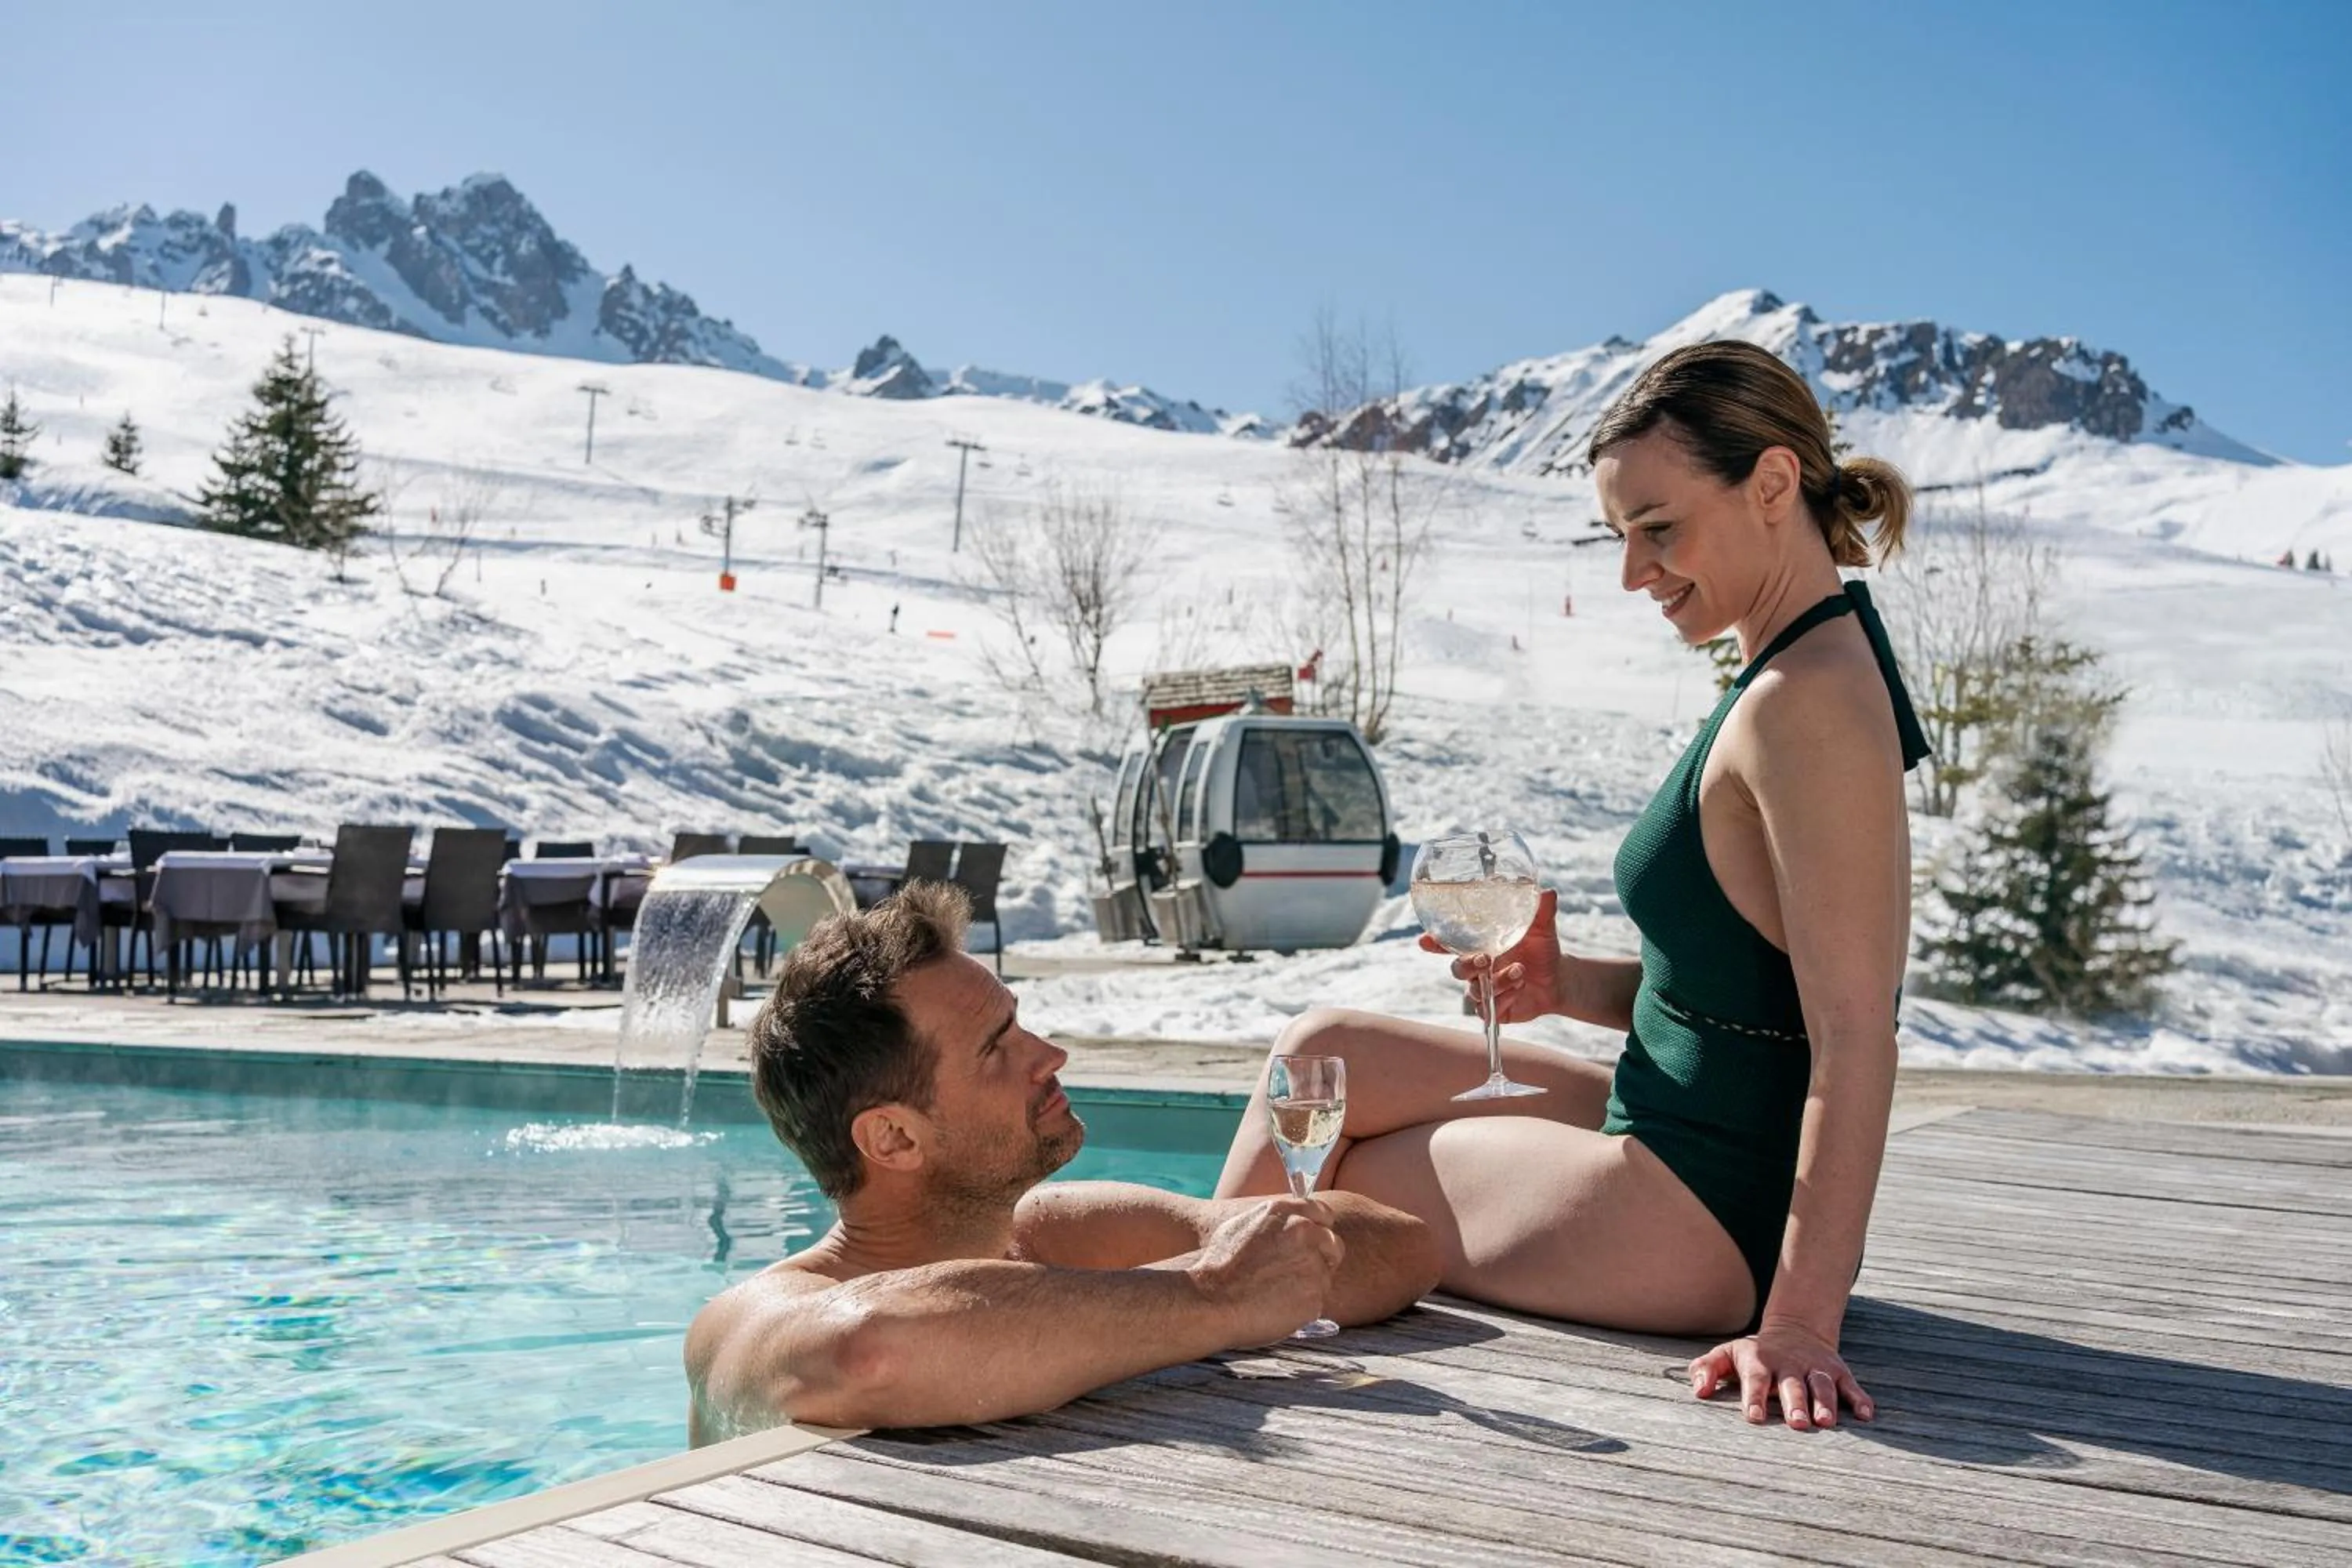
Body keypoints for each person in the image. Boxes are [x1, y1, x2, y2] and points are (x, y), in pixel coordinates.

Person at [1218, 339, 1930, 1435]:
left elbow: (1854, 1031)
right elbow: (1758, 977)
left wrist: (1801, 1322)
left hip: (1706, 1207)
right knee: (1325, 1056)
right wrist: (1572, 983)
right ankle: (1202, 1300)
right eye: (1619, 537)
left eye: (1658, 529)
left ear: (1775, 484)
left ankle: (1185, 1321)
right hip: (1678, 1127)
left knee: (1340, 1170)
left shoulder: (1808, 699)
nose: (1634, 574)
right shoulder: (1793, 665)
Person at [687, 883, 1439, 1442]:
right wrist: (1214, 1295)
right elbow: (875, 1350)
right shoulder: (746, 1325)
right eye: (997, 1049)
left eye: (1020, 1024)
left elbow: (1399, 1244)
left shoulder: (1057, 1236)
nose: (1050, 1056)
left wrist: (1253, 1276)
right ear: (894, 1141)